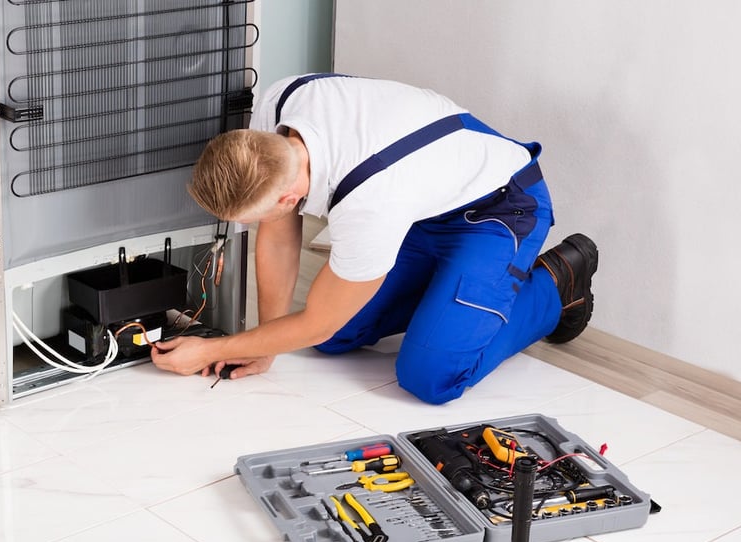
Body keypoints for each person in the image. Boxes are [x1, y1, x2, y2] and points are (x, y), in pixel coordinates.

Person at [150, 73, 597, 404]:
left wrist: (214, 350)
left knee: (431, 377)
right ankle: (449, 294)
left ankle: (556, 285)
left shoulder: (370, 202)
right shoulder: (280, 108)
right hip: (422, 207)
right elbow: (278, 234)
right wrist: (265, 344)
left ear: (288, 196)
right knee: (327, 335)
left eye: (255, 216)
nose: (256, 225)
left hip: (499, 210)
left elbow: (317, 320)